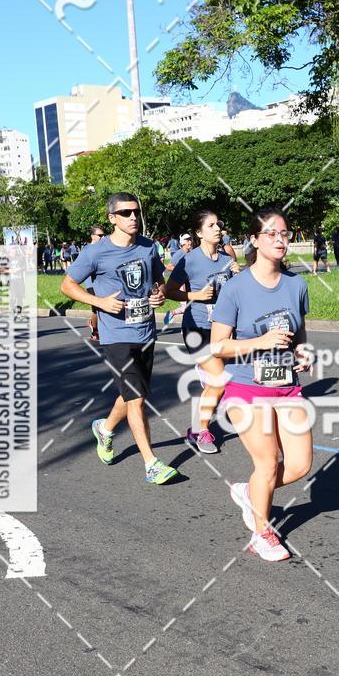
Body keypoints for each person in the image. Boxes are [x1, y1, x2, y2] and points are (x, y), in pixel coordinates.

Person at [211, 206, 313, 562]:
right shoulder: (235, 289)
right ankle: (261, 532)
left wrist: (303, 353)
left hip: (287, 385)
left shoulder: (296, 284)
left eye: (284, 233)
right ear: (253, 240)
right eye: (270, 233)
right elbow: (218, 346)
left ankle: (250, 491)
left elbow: (298, 331)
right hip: (246, 388)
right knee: (268, 463)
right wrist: (259, 342)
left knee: (300, 465)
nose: (280, 240)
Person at [60, 192, 178, 484]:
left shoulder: (149, 247)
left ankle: (105, 428)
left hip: (146, 330)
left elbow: (158, 283)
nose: (133, 217)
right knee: (137, 399)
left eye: (136, 212)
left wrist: (160, 296)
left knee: (132, 394)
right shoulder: (95, 252)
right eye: (125, 213)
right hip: (116, 336)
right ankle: (151, 464)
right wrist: (99, 302)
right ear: (112, 218)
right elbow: (67, 285)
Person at [161, 209, 240, 453]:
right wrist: (195, 295)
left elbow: (234, 293)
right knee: (219, 381)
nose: (218, 229)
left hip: (222, 329)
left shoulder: (227, 257)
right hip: (197, 328)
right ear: (199, 232)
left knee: (218, 383)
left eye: (219, 224)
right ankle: (200, 431)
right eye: (211, 225)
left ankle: (199, 425)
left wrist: (240, 276)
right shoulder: (190, 259)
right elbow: (168, 291)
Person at [163, 233, 193, 323]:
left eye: (190, 240)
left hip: (188, 282)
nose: (190, 242)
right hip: (180, 282)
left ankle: (185, 325)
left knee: (189, 305)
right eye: (187, 240)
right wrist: (182, 271)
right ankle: (172, 314)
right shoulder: (179, 253)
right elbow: (169, 266)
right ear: (183, 243)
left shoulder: (191, 253)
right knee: (186, 306)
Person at [83, 226, 105, 341]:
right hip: (91, 284)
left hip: (103, 283)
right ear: (93, 236)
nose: (103, 237)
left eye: (103, 235)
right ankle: (95, 331)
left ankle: (98, 327)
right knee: (96, 309)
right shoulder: (88, 250)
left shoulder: (104, 248)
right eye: (100, 236)